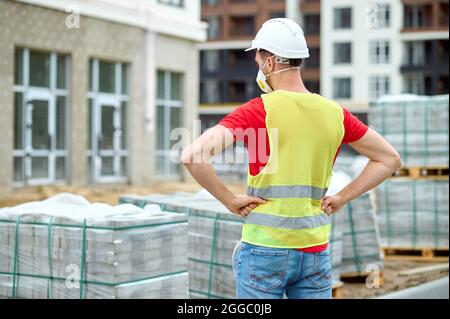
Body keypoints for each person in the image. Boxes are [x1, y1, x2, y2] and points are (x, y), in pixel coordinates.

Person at [181, 18, 401, 299]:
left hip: (264, 250)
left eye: (259, 57)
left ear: (271, 62)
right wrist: (342, 197)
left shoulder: (258, 110)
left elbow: (192, 155)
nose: (258, 65)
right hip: (315, 251)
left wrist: (229, 200)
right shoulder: (335, 114)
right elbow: (389, 159)